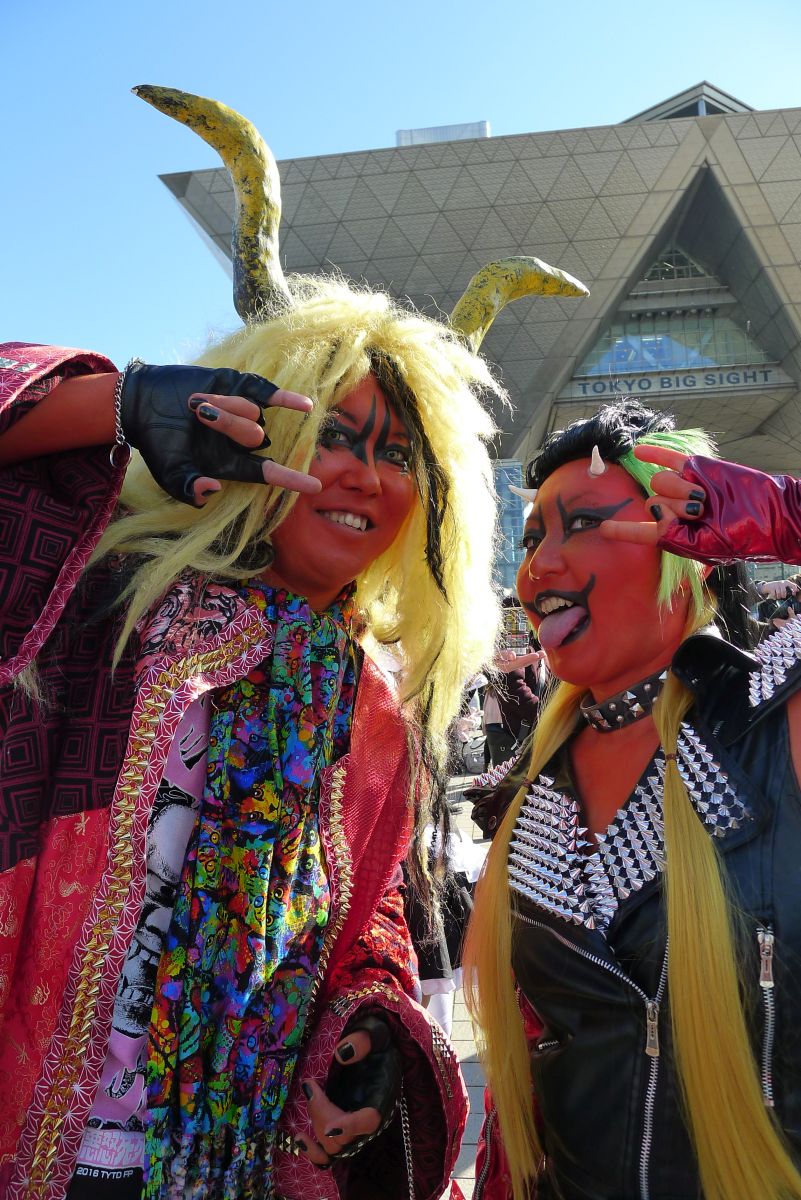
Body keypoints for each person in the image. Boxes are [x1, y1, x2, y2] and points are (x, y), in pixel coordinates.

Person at [0, 85, 589, 1200]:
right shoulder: (94, 597)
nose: (363, 474)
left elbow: (363, 913)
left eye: (399, 454)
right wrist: (117, 407)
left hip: (231, 1169)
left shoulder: (371, 701)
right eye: (332, 433)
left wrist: (364, 1030)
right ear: (258, 427)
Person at [464, 399, 801, 1200]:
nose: (539, 567)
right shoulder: (524, 791)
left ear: (691, 549)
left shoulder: (773, 725)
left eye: (583, 523)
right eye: (533, 537)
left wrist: (785, 515)